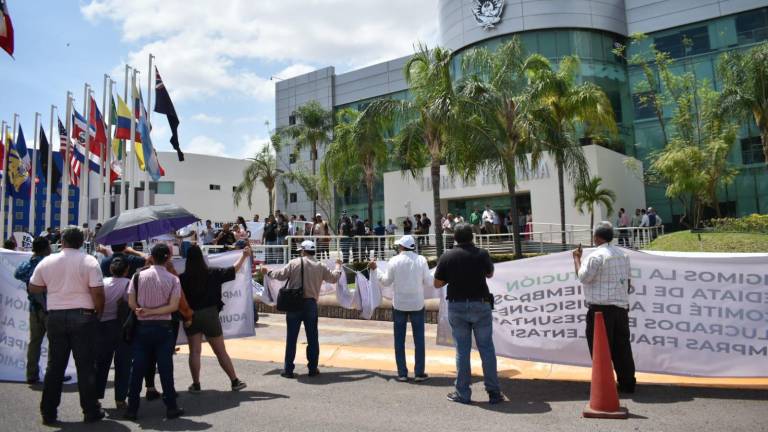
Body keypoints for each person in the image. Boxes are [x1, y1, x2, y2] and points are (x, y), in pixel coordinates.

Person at [29, 227, 106, 425]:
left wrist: (52, 286)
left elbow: (33, 286)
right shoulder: (89, 261)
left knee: (55, 366)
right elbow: (97, 292)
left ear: (61, 241)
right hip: (83, 315)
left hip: (55, 315)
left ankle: (48, 412)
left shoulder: (48, 261)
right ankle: (90, 410)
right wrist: (99, 312)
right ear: (81, 242)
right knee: (86, 366)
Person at [433, 223, 502, 405]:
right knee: (486, 349)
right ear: (472, 236)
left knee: (462, 351)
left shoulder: (447, 256)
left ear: (454, 237)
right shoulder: (482, 254)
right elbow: (490, 274)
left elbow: (437, 283)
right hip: (480, 304)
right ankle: (494, 392)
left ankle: (463, 393)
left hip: (457, 306)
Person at [261, 240, 342, 378]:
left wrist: (267, 272)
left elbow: (280, 275)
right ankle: (312, 368)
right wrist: (338, 266)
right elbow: (334, 278)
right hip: (310, 304)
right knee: (312, 337)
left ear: (303, 251)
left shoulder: (295, 263)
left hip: (294, 304)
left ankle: (288, 370)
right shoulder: (320, 266)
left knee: (291, 338)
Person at [572, 221, 636, 393]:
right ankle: (627, 383)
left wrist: (577, 258)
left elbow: (584, 278)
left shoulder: (595, 256)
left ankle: (605, 384)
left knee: (600, 349)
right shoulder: (623, 255)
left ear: (596, 237)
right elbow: (628, 281)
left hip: (600, 311)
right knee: (622, 347)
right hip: (621, 308)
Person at [124, 243, 184, 421]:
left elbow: (131, 303)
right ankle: (171, 407)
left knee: (137, 369)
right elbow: (173, 306)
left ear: (151, 256)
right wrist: (154, 312)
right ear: (168, 258)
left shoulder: (137, 276)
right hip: (164, 329)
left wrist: (143, 311)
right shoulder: (174, 279)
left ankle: (132, 408)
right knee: (166, 368)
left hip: (142, 328)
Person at [181, 245, 250, 393]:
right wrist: (244, 256)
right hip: (211, 314)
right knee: (220, 351)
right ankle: (234, 381)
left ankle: (196, 384)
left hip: (190, 315)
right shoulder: (212, 273)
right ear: (202, 257)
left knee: (194, 352)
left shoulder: (183, 278)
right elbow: (233, 269)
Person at [369, 235, 432, 382]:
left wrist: (376, 269)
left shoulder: (394, 260)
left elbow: (385, 281)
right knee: (419, 340)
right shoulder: (421, 260)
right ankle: (419, 372)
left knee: (399, 339)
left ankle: (402, 373)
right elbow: (428, 281)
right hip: (417, 303)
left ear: (402, 247)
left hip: (399, 304)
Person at [94, 258, 132, 410]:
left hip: (102, 325)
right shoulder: (128, 283)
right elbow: (131, 303)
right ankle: (120, 399)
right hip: (121, 326)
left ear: (110, 269)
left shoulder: (102, 282)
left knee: (101, 364)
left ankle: (96, 397)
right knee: (123, 365)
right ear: (126, 270)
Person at [14, 237, 51, 384]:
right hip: (50, 307)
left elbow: (17, 274)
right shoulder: (48, 264)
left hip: (34, 308)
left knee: (35, 342)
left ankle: (31, 374)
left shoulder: (28, 264)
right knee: (54, 343)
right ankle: (52, 373)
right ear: (44, 249)